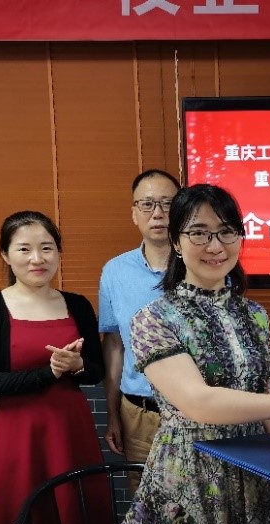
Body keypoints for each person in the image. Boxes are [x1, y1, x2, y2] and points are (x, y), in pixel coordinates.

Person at [119, 184, 270, 524]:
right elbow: (198, 402)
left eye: (226, 231)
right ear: (176, 242)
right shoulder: (154, 319)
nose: (215, 246)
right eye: (199, 233)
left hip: (254, 468)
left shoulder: (255, 315)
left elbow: (261, 390)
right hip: (191, 471)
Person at [0, 211, 110, 524]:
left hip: (69, 427)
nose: (37, 259)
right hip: (16, 429)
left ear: (58, 252)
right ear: (5, 255)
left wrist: (77, 365)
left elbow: (96, 372)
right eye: (24, 249)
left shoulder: (78, 305)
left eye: (46, 248)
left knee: (77, 509)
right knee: (19, 511)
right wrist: (49, 373)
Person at [98, 169, 181, 497]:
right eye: (147, 204)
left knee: (202, 501)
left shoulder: (205, 266)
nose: (158, 213)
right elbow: (114, 345)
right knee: (144, 500)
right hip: (139, 413)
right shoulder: (115, 271)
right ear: (134, 213)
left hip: (198, 411)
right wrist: (112, 414)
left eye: (167, 203)